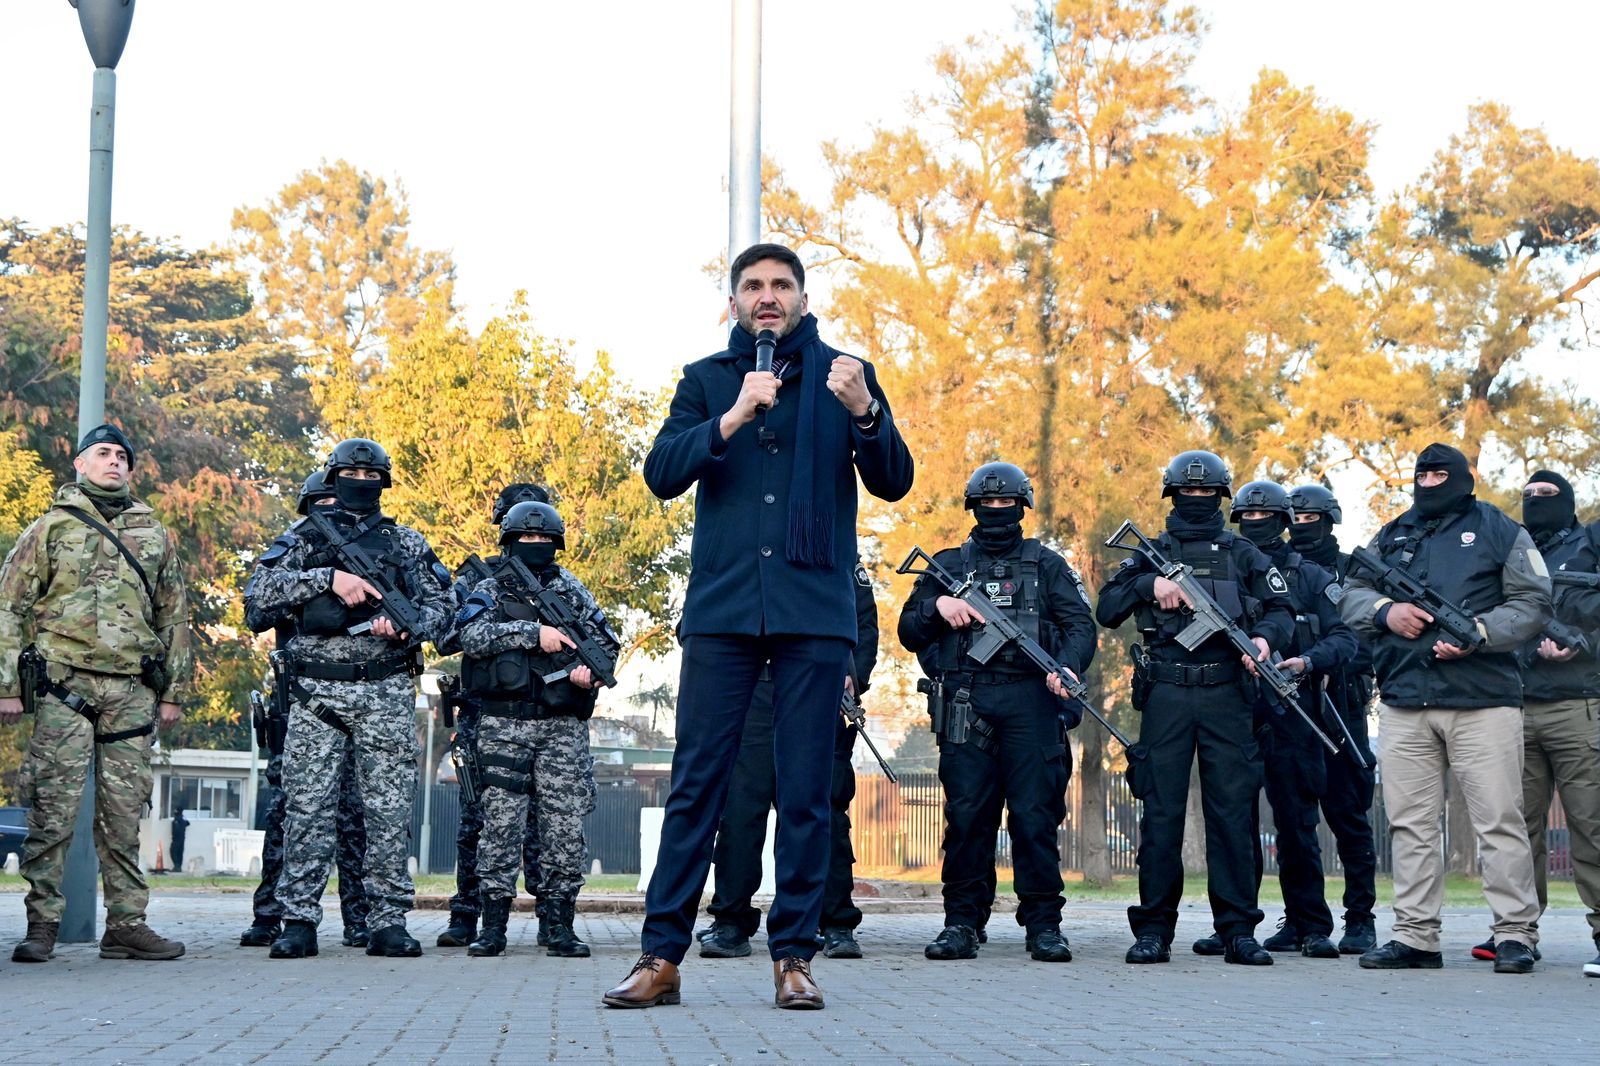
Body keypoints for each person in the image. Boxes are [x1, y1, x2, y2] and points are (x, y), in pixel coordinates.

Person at [605, 242, 913, 1010]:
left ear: (803, 298)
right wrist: (735, 415)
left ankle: (795, 958)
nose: (767, 296)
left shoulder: (847, 375)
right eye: (753, 285)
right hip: (725, 609)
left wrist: (866, 412)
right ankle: (660, 957)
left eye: (780, 285)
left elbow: (894, 480)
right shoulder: (707, 380)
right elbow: (662, 473)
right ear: (734, 301)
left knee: (806, 791)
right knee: (696, 787)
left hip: (814, 610)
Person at [1338, 443, 1550, 974]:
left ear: (1462, 477)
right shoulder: (1392, 534)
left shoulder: (1500, 529)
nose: (1430, 483)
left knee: (1499, 822)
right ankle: (1415, 936)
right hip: (1405, 701)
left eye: (1439, 474)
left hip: (1484, 701)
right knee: (1409, 825)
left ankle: (1515, 934)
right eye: (1423, 475)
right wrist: (1385, 612)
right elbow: (1349, 592)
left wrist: (1480, 632)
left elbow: (1534, 601)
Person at [244, 438, 453, 960]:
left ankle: (387, 921)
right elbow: (257, 598)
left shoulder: (405, 543)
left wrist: (406, 627)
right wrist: (328, 579)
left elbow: (446, 609)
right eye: (351, 474)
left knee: (388, 809)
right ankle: (298, 920)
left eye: (371, 475)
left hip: (384, 688)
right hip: (316, 692)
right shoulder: (302, 539)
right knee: (307, 809)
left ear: (384, 482)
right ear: (333, 478)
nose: (361, 482)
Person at [1095, 450, 1294, 967]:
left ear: (1221, 496)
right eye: (1189, 490)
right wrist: (1149, 585)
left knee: (1232, 814)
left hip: (1228, 691)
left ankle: (1238, 931)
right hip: (1167, 692)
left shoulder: (1244, 553)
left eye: (1207, 492)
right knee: (1161, 814)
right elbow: (1107, 608)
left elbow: (1281, 610)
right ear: (1173, 495)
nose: (1198, 499)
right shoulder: (1151, 553)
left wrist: (1264, 640)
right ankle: (1153, 930)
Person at [2, 423, 191, 962]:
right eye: (102, 453)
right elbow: (8, 606)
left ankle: (127, 925)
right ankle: (42, 926)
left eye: (121, 457)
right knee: (53, 811)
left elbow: (174, 615)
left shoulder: (154, 534)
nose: (114, 462)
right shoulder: (51, 527)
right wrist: (7, 685)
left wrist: (174, 691)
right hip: (64, 684)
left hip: (131, 689)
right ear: (80, 464)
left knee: (124, 814)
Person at [898, 462, 1096, 963]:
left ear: (1021, 507)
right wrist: (938, 607)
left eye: (1006, 503)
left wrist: (1067, 667)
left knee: (1034, 817)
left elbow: (1080, 626)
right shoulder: (947, 566)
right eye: (988, 503)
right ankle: (962, 923)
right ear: (974, 506)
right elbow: (909, 631)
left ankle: (1044, 925)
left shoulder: (1047, 565)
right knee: (967, 817)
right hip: (967, 701)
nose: (997, 510)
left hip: (1033, 700)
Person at [1193, 480, 1357, 960]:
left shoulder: (1309, 576)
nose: (1254, 525)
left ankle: (1309, 925)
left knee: (1296, 822)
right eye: (1245, 517)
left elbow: (1345, 639)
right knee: (1234, 823)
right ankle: (1235, 925)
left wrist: (1307, 661)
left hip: (1292, 712)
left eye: (1264, 517)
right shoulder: (1223, 567)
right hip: (1235, 711)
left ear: (1284, 522)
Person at [695, 553, 879, 960]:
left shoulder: (836, 556)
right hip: (752, 694)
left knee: (822, 811)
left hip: (816, 688)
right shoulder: (741, 550)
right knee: (740, 812)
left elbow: (864, 625)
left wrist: (852, 675)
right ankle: (731, 922)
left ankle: (836, 923)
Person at [454, 499, 617, 958]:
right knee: (500, 824)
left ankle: (559, 924)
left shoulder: (571, 589)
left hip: (561, 725)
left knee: (564, 825)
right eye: (527, 537)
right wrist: (533, 634)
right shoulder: (489, 588)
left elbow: (605, 642)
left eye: (545, 538)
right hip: (503, 722)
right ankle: (493, 927)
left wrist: (589, 670)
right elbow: (468, 635)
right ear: (510, 542)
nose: (536, 544)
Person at [238, 469, 371, 950]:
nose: (334, 513)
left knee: (358, 816)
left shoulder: (374, 553)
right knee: (289, 813)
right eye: (323, 506)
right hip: (300, 703)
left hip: (362, 701)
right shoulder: (295, 556)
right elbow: (256, 612)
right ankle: (271, 913)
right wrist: (318, 583)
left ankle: (360, 917)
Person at [1476, 469, 1600, 976]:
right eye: (1527, 495)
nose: (1535, 501)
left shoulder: (1590, 544)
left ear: (1568, 500)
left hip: (1579, 705)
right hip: (1515, 705)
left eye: (1546, 494)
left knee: (1591, 824)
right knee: (1515, 828)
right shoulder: (1511, 549)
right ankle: (1516, 933)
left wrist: (1581, 645)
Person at [436, 482, 549, 950]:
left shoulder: (554, 582)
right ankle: (467, 912)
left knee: (544, 820)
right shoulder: (477, 580)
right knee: (477, 820)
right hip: (482, 712)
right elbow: (446, 635)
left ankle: (551, 916)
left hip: (539, 712)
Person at [1285, 483, 1379, 954]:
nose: (1302, 528)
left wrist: (1327, 660)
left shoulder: (1355, 572)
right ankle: (1300, 918)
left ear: (1329, 521)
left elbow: (1369, 640)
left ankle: (1360, 918)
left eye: (1311, 520)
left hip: (1341, 703)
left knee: (1348, 814)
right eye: (1295, 520)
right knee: (1294, 818)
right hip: (1292, 705)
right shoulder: (1279, 570)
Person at [170, 807, 189, 874]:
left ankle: (177, 866)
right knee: (180, 853)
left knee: (173, 852)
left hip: (176, 839)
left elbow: (176, 830)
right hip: (182, 839)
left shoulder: (177, 819)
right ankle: (179, 867)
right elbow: (188, 823)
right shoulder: (183, 818)